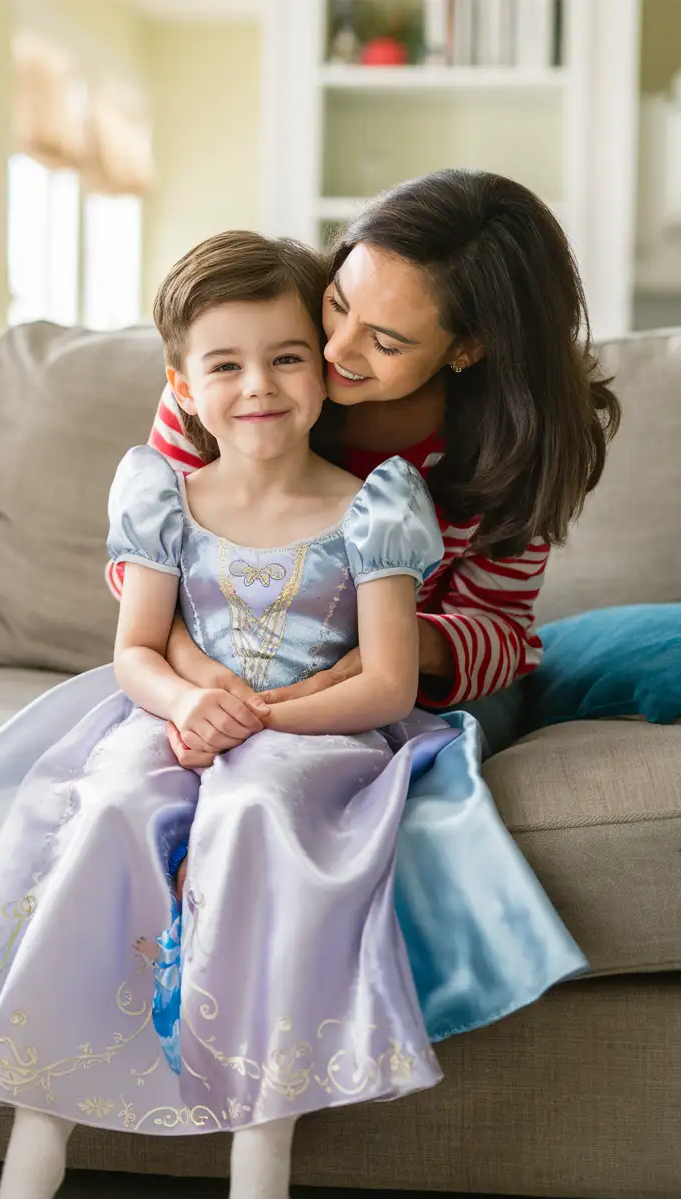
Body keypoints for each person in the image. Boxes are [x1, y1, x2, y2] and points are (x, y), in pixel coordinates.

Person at [0, 229, 585, 1199]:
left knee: (259, 809)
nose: (297, 369)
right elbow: (138, 638)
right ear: (183, 380)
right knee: (111, 801)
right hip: (182, 706)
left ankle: (258, 1181)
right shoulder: (162, 484)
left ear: (463, 349)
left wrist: (262, 715)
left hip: (321, 719)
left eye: (298, 357)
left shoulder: (385, 502)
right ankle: (29, 1168)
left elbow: (393, 674)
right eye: (229, 364)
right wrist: (192, 701)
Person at [109, 169, 620, 773]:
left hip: (407, 688)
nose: (333, 351)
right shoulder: (244, 381)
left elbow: (502, 629)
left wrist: (391, 647)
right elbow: (150, 567)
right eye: (339, 304)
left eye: (385, 341)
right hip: (218, 676)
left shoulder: (512, 444)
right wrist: (202, 680)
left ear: (467, 349)